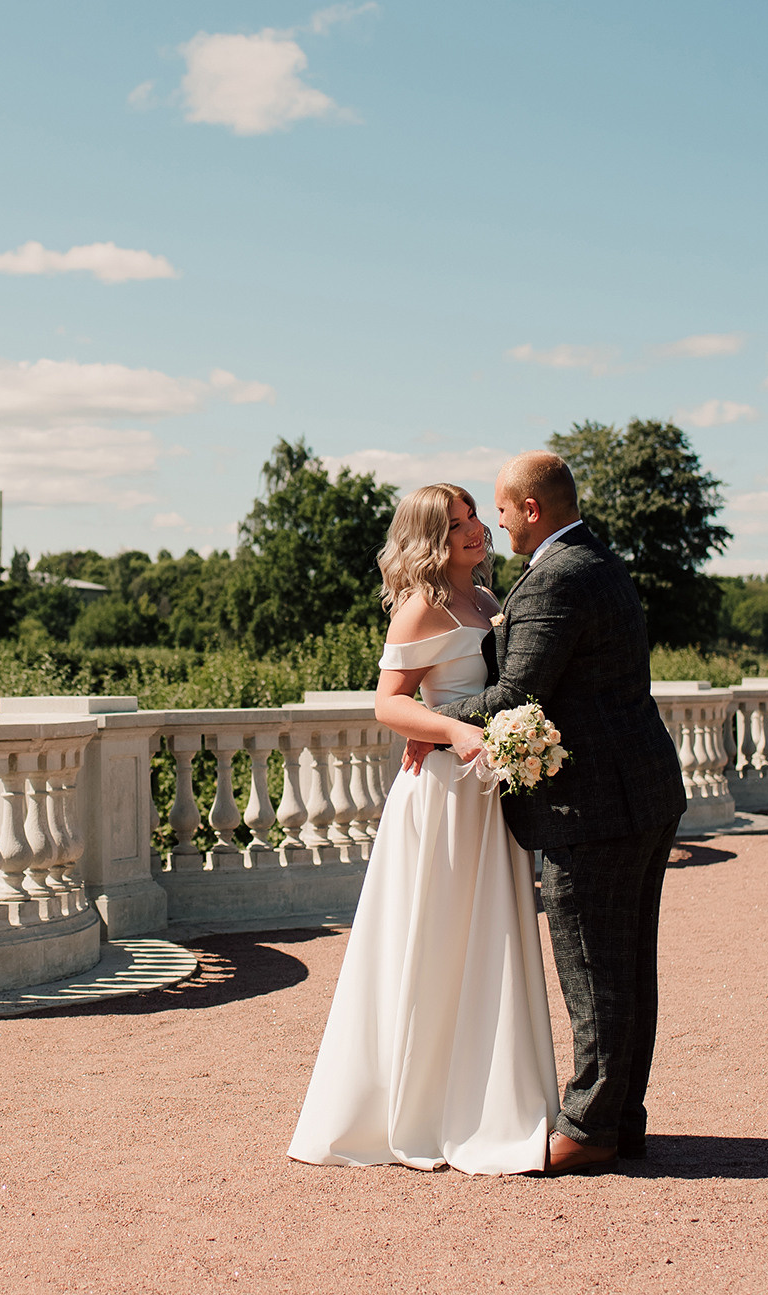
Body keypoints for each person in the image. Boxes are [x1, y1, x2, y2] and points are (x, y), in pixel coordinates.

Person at [287, 481, 560, 1175]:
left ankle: (490, 1099)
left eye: (474, 518)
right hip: (441, 797)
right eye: (457, 524)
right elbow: (387, 705)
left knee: (490, 940)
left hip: (485, 796)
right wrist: (451, 732)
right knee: (434, 941)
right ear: (429, 539)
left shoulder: (492, 602)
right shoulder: (420, 609)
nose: (475, 532)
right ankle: (417, 1110)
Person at [428, 451, 686, 1174]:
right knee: (629, 966)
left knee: (596, 969)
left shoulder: (555, 577)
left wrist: (435, 720)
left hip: (595, 805)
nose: (497, 521)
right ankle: (620, 1116)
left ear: (531, 510)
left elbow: (516, 694)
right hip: (641, 791)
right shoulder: (598, 560)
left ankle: (592, 1126)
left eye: (502, 510)